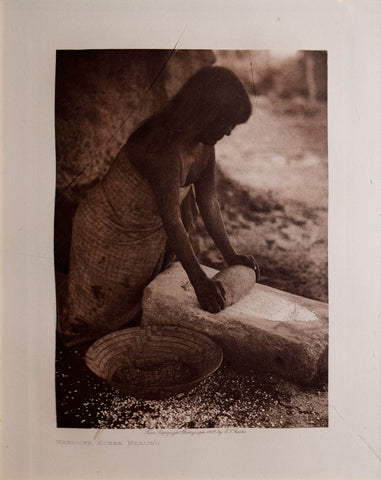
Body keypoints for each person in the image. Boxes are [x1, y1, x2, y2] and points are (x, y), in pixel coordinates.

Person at [59, 66, 260, 346]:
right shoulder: (164, 145)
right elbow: (172, 219)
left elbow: (209, 202)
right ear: (206, 113)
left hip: (147, 233)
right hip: (108, 233)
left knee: (136, 311)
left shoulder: (204, 146)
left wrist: (231, 255)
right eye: (226, 122)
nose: (228, 132)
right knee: (93, 321)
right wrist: (199, 281)